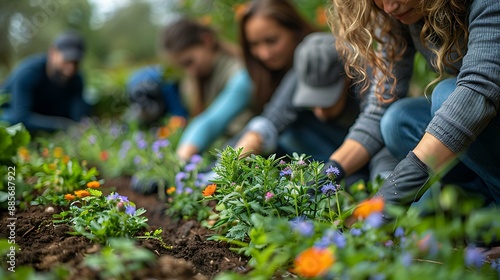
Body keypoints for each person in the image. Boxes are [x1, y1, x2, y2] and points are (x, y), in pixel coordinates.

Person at [329, 0, 500, 219]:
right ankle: (485, 215)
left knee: (445, 96)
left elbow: (478, 91)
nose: (388, 7)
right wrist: (328, 174)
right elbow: (382, 104)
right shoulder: (403, 13)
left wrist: (394, 194)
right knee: (399, 121)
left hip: (482, 103)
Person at [159, 17, 253, 162]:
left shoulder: (238, 71)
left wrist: (178, 165)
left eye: (189, 62)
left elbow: (211, 122)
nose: (190, 71)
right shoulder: (193, 82)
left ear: (206, 40)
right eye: (183, 67)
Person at [0, 31, 90, 132]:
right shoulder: (28, 72)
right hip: (9, 110)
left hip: (41, 115)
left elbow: (77, 118)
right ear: (52, 53)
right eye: (67, 60)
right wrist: (64, 126)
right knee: (9, 120)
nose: (71, 68)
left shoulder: (77, 79)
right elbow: (21, 118)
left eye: (75, 62)